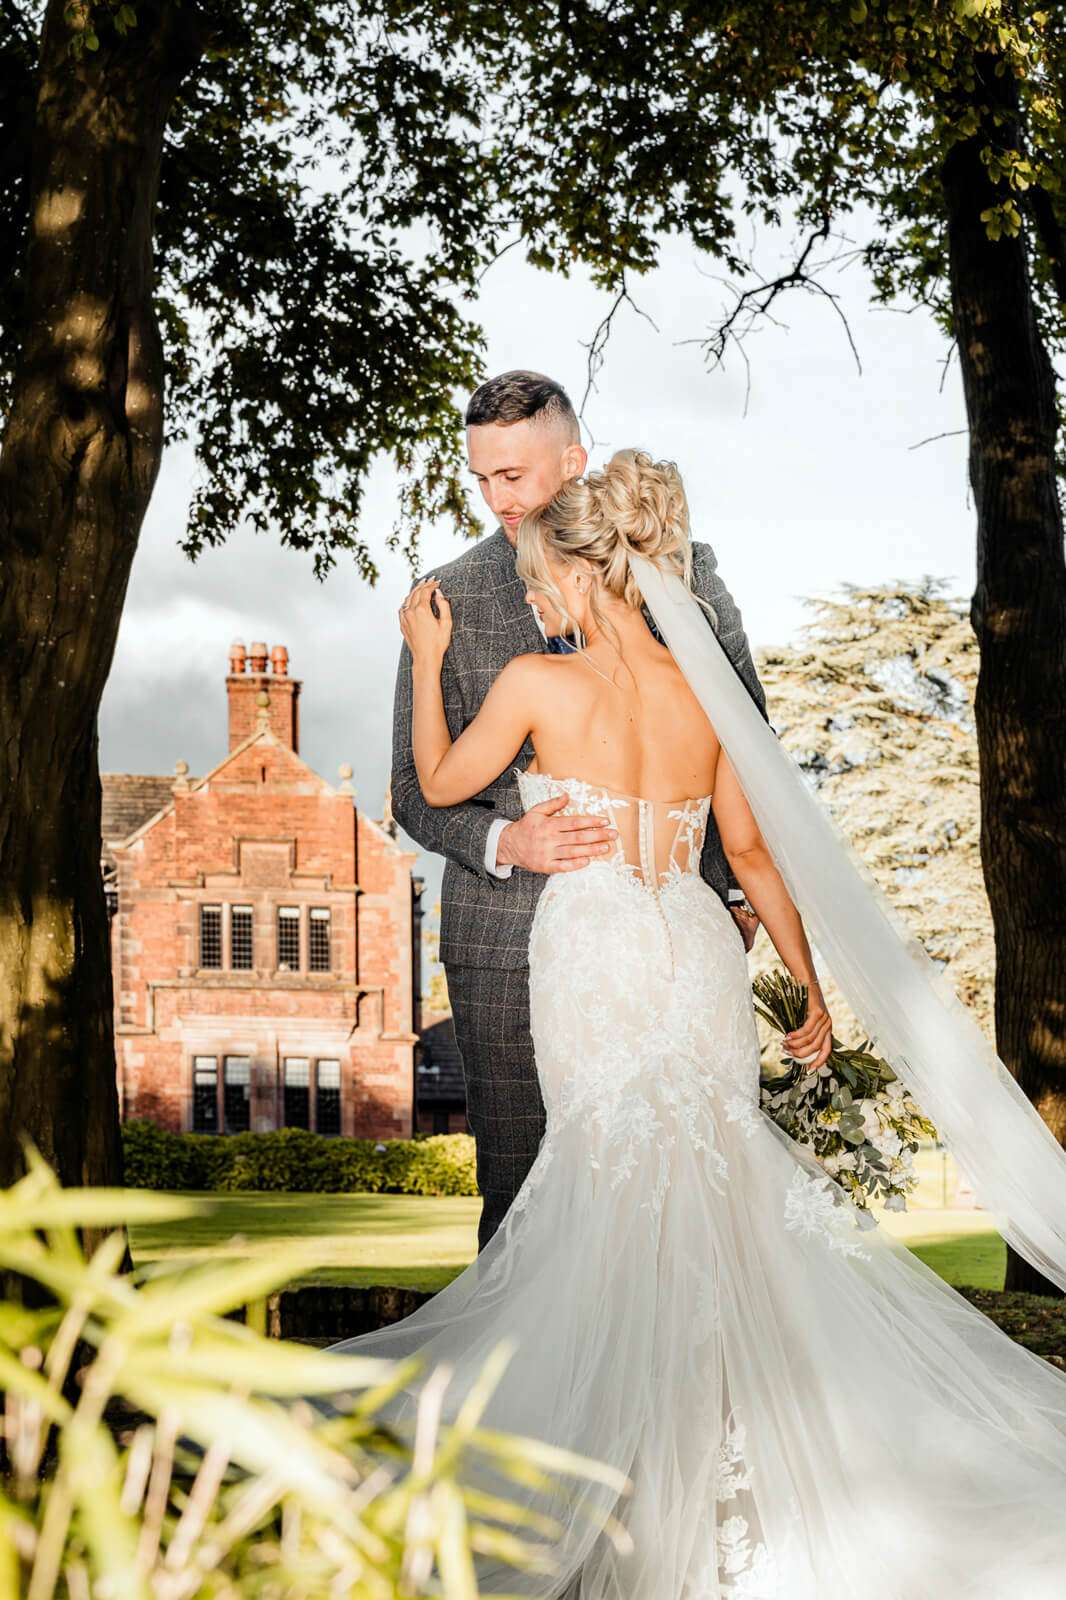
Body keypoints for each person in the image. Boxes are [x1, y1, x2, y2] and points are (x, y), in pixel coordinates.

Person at [329, 450, 1066, 1599]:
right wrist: (811, 989)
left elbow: (433, 772)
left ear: (580, 574)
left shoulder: (532, 681)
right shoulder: (699, 687)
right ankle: (727, 1474)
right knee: (715, 1196)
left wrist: (427, 659)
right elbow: (756, 853)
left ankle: (622, 1481)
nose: (531, 596)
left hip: (596, 952)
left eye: (538, 575)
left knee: (611, 1192)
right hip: (693, 945)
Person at [391, 370, 767, 1250]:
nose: (496, 498)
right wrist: (504, 837)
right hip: (503, 949)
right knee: (523, 1201)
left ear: (574, 460)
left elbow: (742, 743)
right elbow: (415, 791)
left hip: (668, 950)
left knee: (684, 1193)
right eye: (480, 477)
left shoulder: (688, 577)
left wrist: (733, 896)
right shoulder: (444, 597)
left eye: (513, 476)